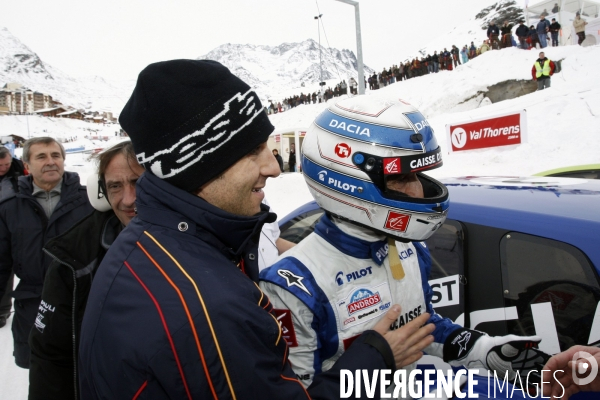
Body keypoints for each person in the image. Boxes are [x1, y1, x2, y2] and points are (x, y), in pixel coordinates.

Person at [78, 59, 436, 399]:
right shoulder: (207, 306)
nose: (274, 167)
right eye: (253, 151)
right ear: (194, 166)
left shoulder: (155, 244)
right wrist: (375, 358)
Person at [260, 96, 551, 389]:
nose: (416, 190)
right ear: (347, 182)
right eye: (400, 177)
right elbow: (298, 395)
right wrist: (378, 360)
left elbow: (422, 327)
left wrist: (485, 351)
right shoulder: (294, 288)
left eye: (416, 174)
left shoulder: (409, 248)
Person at [28, 141, 144, 400]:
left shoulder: (206, 244)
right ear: (102, 192)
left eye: (138, 183)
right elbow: (50, 356)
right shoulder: (75, 261)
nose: (128, 199)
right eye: (115, 186)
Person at [0, 137, 93, 369]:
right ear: (27, 165)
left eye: (56, 155)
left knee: (85, 371)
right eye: (41, 156)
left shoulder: (89, 201)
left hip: (82, 303)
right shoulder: (9, 207)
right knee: (41, 376)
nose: (51, 162)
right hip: (33, 304)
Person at [0, 146, 26, 329]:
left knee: (5, 265)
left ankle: (2, 310)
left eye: (6, 164)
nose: (3, 168)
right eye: (0, 165)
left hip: (12, 223)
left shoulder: (20, 171)